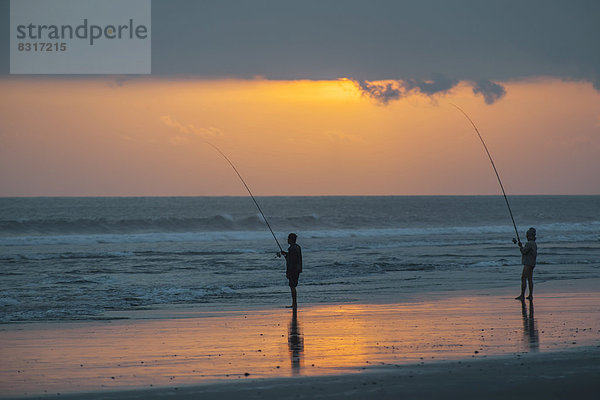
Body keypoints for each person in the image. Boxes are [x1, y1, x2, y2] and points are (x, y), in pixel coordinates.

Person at [280, 233, 302, 309]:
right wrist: (286, 254)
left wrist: (288, 272)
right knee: (293, 286)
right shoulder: (297, 247)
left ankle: (294, 304)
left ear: (291, 239)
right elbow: (292, 257)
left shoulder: (292, 248)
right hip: (297, 269)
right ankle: (294, 303)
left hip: (293, 270)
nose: (287, 240)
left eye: (288, 239)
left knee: (292, 286)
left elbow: (290, 261)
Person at [515, 227, 537, 300]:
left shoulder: (529, 243)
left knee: (523, 278)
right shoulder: (534, 243)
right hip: (532, 263)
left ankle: (522, 295)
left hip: (528, 263)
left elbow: (524, 252)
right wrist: (521, 246)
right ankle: (530, 295)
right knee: (530, 279)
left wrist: (520, 247)